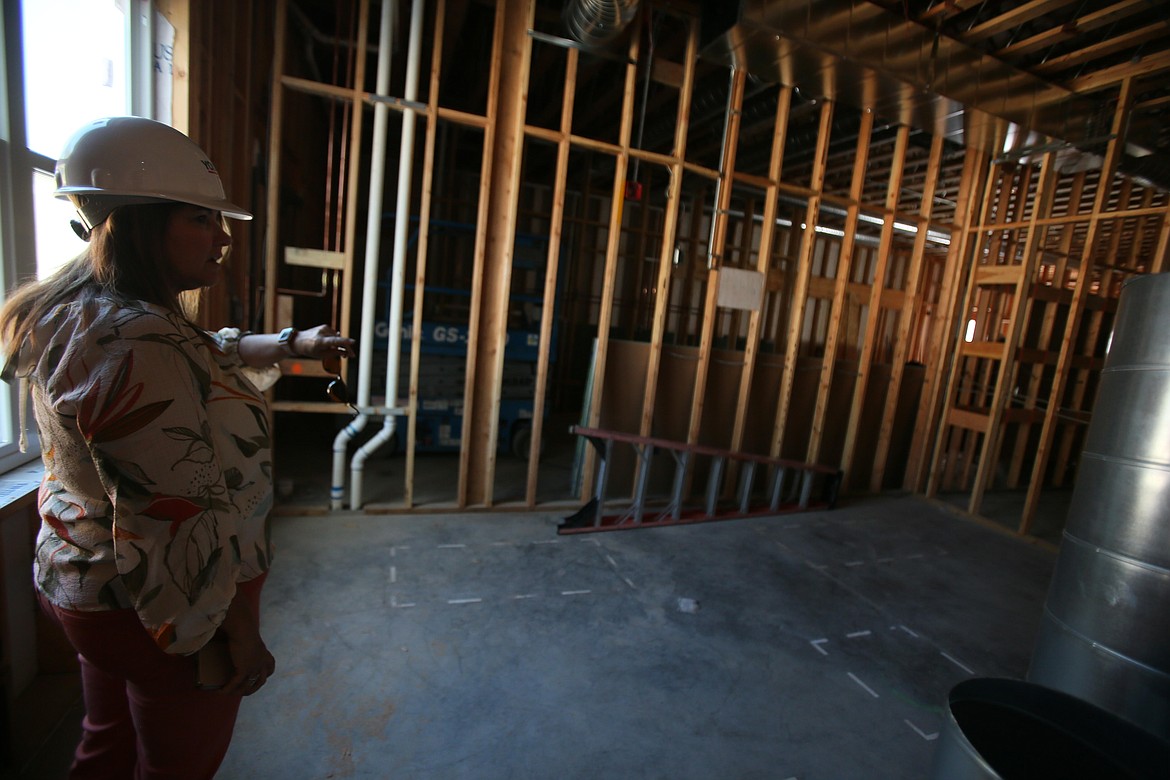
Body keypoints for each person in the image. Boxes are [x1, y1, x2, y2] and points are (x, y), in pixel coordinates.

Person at [0, 116, 353, 779]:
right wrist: (234, 633)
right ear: (134, 221)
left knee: (105, 746)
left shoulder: (77, 309)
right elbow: (172, 512)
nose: (222, 238)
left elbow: (198, 354)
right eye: (199, 219)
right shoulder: (141, 340)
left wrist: (290, 345)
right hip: (156, 604)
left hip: (83, 577)